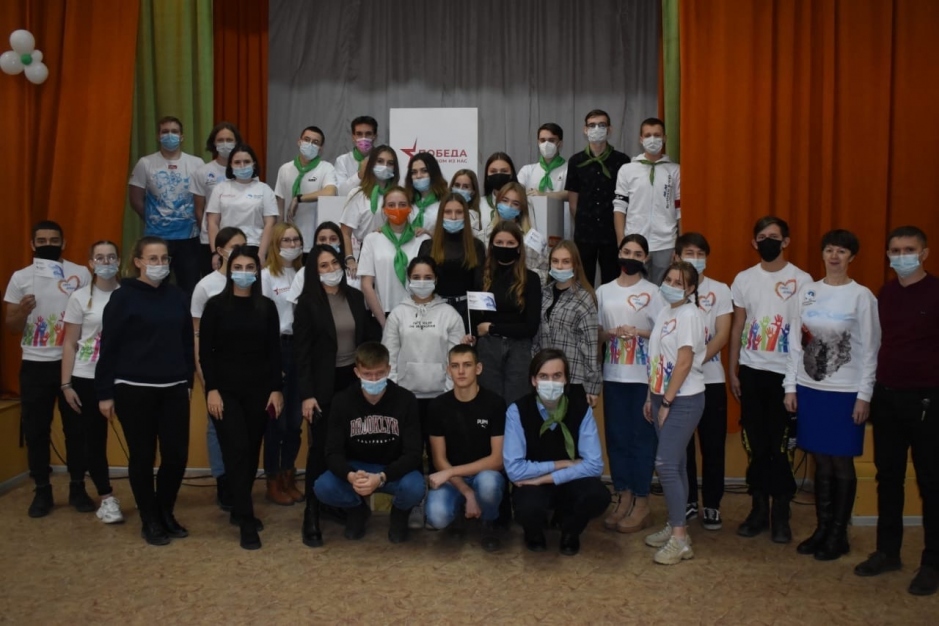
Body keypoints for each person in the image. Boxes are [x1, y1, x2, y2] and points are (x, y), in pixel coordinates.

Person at [783, 229, 880, 562]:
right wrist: (791, 386)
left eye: (841, 251)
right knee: (820, 460)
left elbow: (871, 350)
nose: (834, 256)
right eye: (829, 250)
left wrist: (865, 395)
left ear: (852, 257)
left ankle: (839, 535)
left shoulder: (862, 296)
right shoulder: (808, 292)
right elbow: (795, 344)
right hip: (812, 389)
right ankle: (822, 529)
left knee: (841, 461)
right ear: (822, 254)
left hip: (846, 392)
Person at [853, 226, 939, 596]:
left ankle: (932, 563)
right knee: (888, 478)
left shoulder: (936, 292)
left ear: (925, 253)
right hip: (886, 398)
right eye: (895, 250)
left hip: (927, 401)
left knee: (931, 482)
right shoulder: (885, 293)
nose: (902, 256)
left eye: (909, 249)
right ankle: (887, 552)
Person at [96, 236, 194, 546]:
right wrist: (104, 393)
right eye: (153, 259)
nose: (159, 264)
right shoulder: (122, 297)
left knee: (176, 456)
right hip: (133, 389)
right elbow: (108, 347)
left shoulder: (177, 296)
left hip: (174, 388)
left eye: (164, 259)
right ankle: (149, 519)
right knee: (142, 456)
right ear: (138, 262)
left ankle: (165, 511)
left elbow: (186, 343)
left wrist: (188, 383)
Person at [729, 216, 813, 543]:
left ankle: (781, 513)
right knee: (755, 443)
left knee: (780, 445)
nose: (768, 242)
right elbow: (738, 325)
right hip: (751, 371)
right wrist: (732, 369)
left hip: (785, 375)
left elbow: (806, 332)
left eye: (774, 236)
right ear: (754, 243)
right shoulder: (744, 279)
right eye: (762, 237)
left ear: (786, 241)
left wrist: (797, 379)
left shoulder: (803, 280)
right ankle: (758, 509)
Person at [3, 221, 91, 517]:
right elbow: (11, 326)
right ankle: (42, 490)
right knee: (36, 430)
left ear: (64, 243)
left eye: (54, 240)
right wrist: (22, 311)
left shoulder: (80, 273)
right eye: (41, 241)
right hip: (35, 363)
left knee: (77, 430)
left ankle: (78, 487)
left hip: (73, 363)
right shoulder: (21, 277)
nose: (48, 245)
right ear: (32, 245)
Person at [200, 246, 283, 550]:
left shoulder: (267, 307)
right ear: (228, 269)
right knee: (236, 451)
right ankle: (246, 521)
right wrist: (211, 389)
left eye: (250, 267)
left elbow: (274, 352)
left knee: (250, 452)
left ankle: (238, 507)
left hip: (259, 392)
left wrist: (276, 389)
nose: (244, 273)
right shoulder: (215, 306)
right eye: (238, 267)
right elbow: (205, 352)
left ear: (257, 272)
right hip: (225, 393)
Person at [294, 243, 374, 547]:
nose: (331, 270)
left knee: (351, 446)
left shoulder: (354, 297)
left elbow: (364, 341)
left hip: (353, 383)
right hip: (322, 387)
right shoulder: (307, 303)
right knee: (320, 450)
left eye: (334, 263)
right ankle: (311, 514)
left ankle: (343, 505)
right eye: (323, 266)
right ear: (314, 272)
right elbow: (301, 354)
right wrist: (307, 394)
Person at [383, 256, 468, 528]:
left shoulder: (449, 314)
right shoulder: (398, 314)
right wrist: (395, 393)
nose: (422, 282)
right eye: (416, 277)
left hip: (440, 397)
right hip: (406, 398)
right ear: (408, 280)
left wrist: (447, 393)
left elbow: (456, 359)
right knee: (410, 454)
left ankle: (437, 503)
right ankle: (415, 504)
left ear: (436, 280)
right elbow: (389, 357)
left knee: (438, 455)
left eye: (427, 277)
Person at [313, 342, 424, 543]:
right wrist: (351, 476)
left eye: (379, 373)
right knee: (323, 486)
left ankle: (399, 514)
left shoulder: (406, 400)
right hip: (357, 468)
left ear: (388, 370)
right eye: (367, 374)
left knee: (415, 487)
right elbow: (332, 451)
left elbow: (414, 453)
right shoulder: (342, 401)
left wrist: (382, 477)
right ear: (357, 372)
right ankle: (357, 510)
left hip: (393, 468)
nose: (374, 379)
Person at [504, 349, 610, 556]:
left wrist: (544, 478)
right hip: (533, 485)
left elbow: (595, 465)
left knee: (598, 495)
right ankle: (534, 532)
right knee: (528, 506)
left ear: (566, 379)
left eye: (557, 376)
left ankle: (571, 531)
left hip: (561, 481)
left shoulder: (581, 410)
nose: (550, 382)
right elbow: (514, 469)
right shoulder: (517, 411)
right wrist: (563, 464)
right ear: (533, 380)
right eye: (544, 376)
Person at [596, 234, 666, 534]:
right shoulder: (603, 291)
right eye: (627, 251)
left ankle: (642, 501)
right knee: (617, 438)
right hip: (613, 375)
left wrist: (638, 332)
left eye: (638, 254)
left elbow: (664, 334)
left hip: (643, 379)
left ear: (646, 258)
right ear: (618, 253)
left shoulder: (655, 292)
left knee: (642, 440)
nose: (631, 257)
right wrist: (610, 333)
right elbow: (597, 333)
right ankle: (623, 496)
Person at [642, 261, 707, 565]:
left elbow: (683, 362)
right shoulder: (666, 312)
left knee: (665, 464)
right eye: (667, 280)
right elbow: (657, 357)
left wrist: (667, 402)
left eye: (678, 283)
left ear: (691, 289)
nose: (670, 286)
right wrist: (651, 397)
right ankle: (676, 523)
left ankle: (680, 540)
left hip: (684, 399)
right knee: (676, 464)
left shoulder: (690, 315)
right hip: (660, 396)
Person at [59, 240, 124, 524]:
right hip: (87, 377)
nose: (106, 262)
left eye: (111, 257)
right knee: (94, 441)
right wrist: (66, 384)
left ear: (119, 261)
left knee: (139, 438)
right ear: (90, 263)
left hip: (125, 377)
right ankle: (107, 498)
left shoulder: (129, 294)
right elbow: (70, 343)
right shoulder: (79, 297)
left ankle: (147, 496)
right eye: (100, 257)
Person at [425, 344, 506, 552]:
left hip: (484, 474)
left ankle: (489, 521)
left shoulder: (495, 404)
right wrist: (466, 491)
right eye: (455, 366)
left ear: (478, 368)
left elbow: (497, 460)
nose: (461, 371)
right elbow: (439, 459)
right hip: (452, 480)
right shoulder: (437, 406)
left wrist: (451, 471)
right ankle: (459, 512)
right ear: (448, 370)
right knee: (436, 516)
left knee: (489, 484)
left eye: (467, 365)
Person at [676, 233, 732, 530]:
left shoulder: (720, 290)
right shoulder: (669, 289)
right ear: (677, 257)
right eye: (689, 253)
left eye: (700, 253)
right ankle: (687, 500)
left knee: (713, 445)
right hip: (679, 383)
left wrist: (694, 362)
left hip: (711, 380)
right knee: (682, 446)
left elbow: (722, 334)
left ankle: (712, 504)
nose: (695, 259)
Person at [191, 227, 247, 511]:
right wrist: (203, 374)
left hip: (247, 370)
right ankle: (223, 480)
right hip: (216, 369)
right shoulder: (206, 286)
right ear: (221, 250)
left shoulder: (252, 281)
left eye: (244, 246)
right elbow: (197, 335)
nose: (240, 252)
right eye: (234, 247)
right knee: (217, 426)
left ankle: (241, 481)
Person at [128, 115, 204, 294]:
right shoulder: (145, 163)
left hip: (189, 237)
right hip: (156, 238)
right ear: (158, 136)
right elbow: (135, 199)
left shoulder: (196, 163)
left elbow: (202, 200)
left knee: (189, 287)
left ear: (182, 136)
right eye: (165, 132)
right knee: (154, 285)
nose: (170, 135)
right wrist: (153, 219)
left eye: (174, 132)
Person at [260, 222, 306, 506]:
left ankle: (289, 475)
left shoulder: (305, 274)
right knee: (275, 422)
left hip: (300, 348)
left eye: (296, 240)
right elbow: (263, 319)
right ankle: (273, 480)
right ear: (275, 245)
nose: (292, 245)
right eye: (286, 241)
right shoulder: (266, 276)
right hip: (277, 347)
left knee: (295, 422)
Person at [476, 221, 542, 405]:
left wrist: (493, 327)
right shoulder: (481, 276)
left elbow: (530, 327)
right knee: (489, 404)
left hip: (519, 348)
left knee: (518, 405)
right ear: (491, 246)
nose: (504, 247)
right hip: (488, 348)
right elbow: (477, 321)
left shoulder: (531, 279)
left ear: (519, 247)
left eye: (510, 243)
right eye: (499, 242)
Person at [565, 109, 630, 286]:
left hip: (612, 233)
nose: (597, 129)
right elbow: (573, 201)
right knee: (583, 281)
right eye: (592, 125)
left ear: (610, 129)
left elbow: (626, 199)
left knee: (613, 280)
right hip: (585, 233)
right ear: (585, 129)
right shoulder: (576, 161)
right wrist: (582, 222)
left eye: (601, 125)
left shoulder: (622, 160)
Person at [613, 117, 681, 285]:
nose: (652, 139)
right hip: (635, 243)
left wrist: (679, 245)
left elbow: (680, 210)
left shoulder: (675, 171)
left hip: (666, 243)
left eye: (657, 135)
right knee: (634, 289)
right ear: (640, 139)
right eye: (648, 135)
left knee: (664, 291)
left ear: (664, 138)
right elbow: (619, 208)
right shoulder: (627, 170)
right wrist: (622, 242)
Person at [533, 240, 600, 405]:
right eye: (555, 261)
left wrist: (592, 385)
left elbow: (590, 345)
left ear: (575, 264)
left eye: (565, 261)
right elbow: (535, 337)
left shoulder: (585, 299)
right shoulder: (543, 294)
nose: (560, 266)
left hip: (573, 378)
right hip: (545, 377)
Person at [358, 186, 431, 327]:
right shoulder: (372, 239)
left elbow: (430, 280)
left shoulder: (423, 240)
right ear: (384, 209)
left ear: (410, 208)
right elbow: (366, 285)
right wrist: (384, 323)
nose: (397, 209)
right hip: (383, 314)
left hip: (419, 315)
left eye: (402, 204)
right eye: (391, 205)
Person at [418, 193, 486, 328]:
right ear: (441, 215)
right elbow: (422, 284)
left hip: (466, 312)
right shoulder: (428, 246)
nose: (453, 217)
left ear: (465, 215)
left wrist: (478, 322)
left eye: (459, 212)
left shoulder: (476, 246)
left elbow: (480, 285)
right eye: (448, 212)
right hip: (435, 309)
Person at [206, 143, 278, 261]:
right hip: (226, 248)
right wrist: (216, 253)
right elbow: (212, 223)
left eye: (247, 162)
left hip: (255, 246)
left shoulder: (264, 189)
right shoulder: (220, 188)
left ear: (254, 164)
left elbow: (270, 224)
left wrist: (261, 254)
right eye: (237, 162)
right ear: (231, 165)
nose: (242, 166)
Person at [273, 125, 338, 257]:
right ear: (299, 141)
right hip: (289, 241)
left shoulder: (326, 168)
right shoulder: (285, 169)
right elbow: (280, 206)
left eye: (315, 142)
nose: (310, 144)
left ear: (321, 148)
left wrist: (298, 198)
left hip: (314, 240)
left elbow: (330, 192)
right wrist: (277, 238)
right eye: (307, 140)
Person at [340, 144, 399, 278]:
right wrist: (350, 259)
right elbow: (345, 232)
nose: (385, 166)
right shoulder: (357, 194)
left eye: (390, 163)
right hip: (368, 253)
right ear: (371, 164)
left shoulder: (399, 194)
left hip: (396, 252)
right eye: (380, 161)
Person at [192, 121, 243, 275]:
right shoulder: (203, 172)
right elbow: (199, 209)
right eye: (221, 140)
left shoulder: (246, 172)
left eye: (229, 140)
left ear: (236, 142)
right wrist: (209, 231)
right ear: (213, 143)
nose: (225, 144)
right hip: (210, 240)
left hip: (238, 236)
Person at [481, 181, 549, 284]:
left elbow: (545, 274)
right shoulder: (482, 236)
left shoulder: (535, 240)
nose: (509, 206)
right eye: (505, 201)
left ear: (521, 208)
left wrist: (522, 275)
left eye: (515, 203)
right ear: (497, 202)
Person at [517, 123, 569, 200]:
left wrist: (544, 195)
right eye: (542, 140)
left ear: (560, 143)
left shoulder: (569, 169)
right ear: (538, 142)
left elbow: (572, 193)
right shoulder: (527, 170)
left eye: (551, 140)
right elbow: (515, 190)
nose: (546, 144)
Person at [404, 151, 449, 232]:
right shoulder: (406, 200)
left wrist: (428, 234)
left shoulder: (445, 201)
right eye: (414, 172)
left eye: (424, 171)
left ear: (434, 173)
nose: (418, 176)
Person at [335, 116, 379, 196]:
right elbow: (340, 193)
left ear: (375, 137)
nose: (364, 138)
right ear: (353, 137)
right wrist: (359, 176)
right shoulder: (342, 160)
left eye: (368, 134)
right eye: (359, 134)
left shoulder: (382, 159)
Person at [480, 152, 519, 225]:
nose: (498, 174)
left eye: (504, 171)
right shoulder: (480, 204)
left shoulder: (523, 202)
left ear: (511, 174)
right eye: (493, 171)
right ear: (487, 176)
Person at [449, 169, 483, 234]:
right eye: (457, 185)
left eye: (465, 187)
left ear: (473, 192)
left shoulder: (472, 216)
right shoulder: (441, 210)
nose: (460, 189)